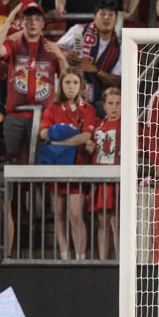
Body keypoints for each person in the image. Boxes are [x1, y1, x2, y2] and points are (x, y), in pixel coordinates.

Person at [0, 1, 68, 165]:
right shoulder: (14, 45)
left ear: (43, 23)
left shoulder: (52, 47)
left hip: (44, 116)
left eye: (37, 19)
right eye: (28, 19)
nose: (32, 23)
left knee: (41, 162)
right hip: (15, 115)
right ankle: (14, 192)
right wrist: (9, 19)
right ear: (22, 22)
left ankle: (39, 192)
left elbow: (68, 80)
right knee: (14, 162)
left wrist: (61, 57)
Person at [39, 67, 97, 260]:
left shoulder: (88, 109)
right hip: (56, 167)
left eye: (74, 83)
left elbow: (86, 136)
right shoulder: (52, 109)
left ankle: (80, 257)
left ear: (81, 86)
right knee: (59, 213)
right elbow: (43, 133)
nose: (71, 87)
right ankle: (65, 255)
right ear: (61, 86)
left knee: (75, 215)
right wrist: (71, 137)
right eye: (67, 83)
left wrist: (58, 140)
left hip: (78, 167)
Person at [57, 0, 122, 117]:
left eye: (111, 15)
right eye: (102, 14)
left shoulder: (119, 47)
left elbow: (117, 80)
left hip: (99, 100)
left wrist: (95, 70)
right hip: (71, 93)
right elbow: (55, 50)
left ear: (116, 20)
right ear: (95, 18)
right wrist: (67, 55)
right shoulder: (79, 30)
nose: (106, 18)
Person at [85, 86, 120, 260]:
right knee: (102, 222)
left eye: (118, 103)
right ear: (104, 105)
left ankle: (121, 261)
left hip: (118, 180)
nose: (114, 107)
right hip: (101, 179)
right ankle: (103, 260)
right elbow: (92, 147)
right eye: (110, 103)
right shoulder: (98, 124)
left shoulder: (128, 125)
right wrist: (90, 147)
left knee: (116, 222)